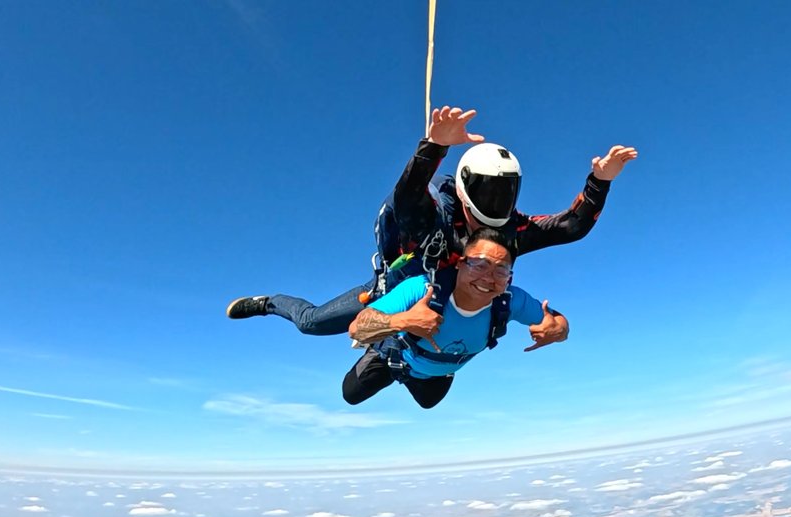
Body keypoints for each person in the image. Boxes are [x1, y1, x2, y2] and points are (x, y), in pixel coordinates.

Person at [226, 106, 636, 336]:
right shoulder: (437, 214)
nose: (494, 205)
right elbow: (406, 198)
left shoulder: (512, 229)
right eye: (486, 192)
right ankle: (270, 303)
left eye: (503, 194)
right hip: (394, 290)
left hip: (447, 310)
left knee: (433, 374)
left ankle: (393, 358)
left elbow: (570, 227)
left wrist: (599, 181)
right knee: (313, 323)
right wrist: (434, 146)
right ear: (461, 187)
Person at [342, 227, 569, 408]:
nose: (489, 278)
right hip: (395, 355)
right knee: (350, 394)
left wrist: (557, 332)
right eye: (480, 265)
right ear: (461, 264)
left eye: (500, 271)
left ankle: (420, 371)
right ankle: (382, 345)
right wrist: (402, 321)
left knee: (428, 402)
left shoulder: (510, 301)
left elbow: (560, 323)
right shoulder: (422, 289)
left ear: (509, 278)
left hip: (437, 373)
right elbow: (356, 328)